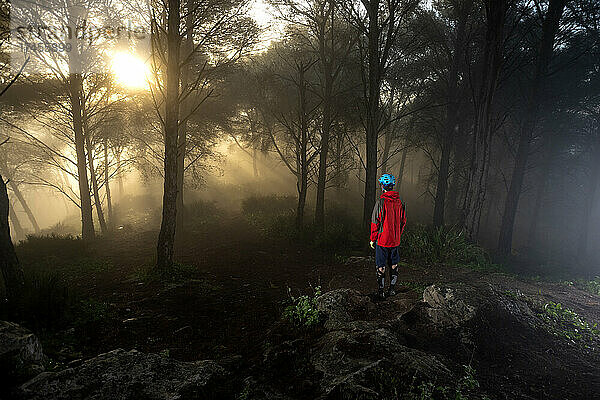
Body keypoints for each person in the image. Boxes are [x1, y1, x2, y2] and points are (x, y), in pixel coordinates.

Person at [369, 173, 407, 299]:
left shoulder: (381, 202)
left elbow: (375, 222)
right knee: (394, 264)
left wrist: (373, 239)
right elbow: (403, 222)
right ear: (392, 185)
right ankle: (392, 290)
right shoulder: (400, 202)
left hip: (382, 240)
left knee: (381, 265)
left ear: (382, 186)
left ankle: (381, 291)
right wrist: (397, 235)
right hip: (395, 241)